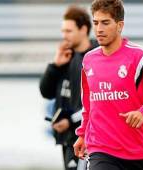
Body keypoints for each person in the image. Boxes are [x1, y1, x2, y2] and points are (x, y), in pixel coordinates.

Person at [73, 0, 143, 170]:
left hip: (138, 154)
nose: (99, 29)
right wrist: (83, 133)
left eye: (105, 23)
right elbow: (89, 103)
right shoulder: (89, 60)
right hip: (100, 150)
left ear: (120, 25)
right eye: (96, 23)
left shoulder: (142, 57)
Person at [39, 5, 98, 170]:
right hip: (67, 139)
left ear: (83, 29)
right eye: (63, 31)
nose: (64, 36)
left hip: (88, 138)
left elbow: (97, 102)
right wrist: (55, 66)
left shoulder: (96, 57)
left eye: (69, 31)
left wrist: (70, 120)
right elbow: (46, 92)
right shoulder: (65, 56)